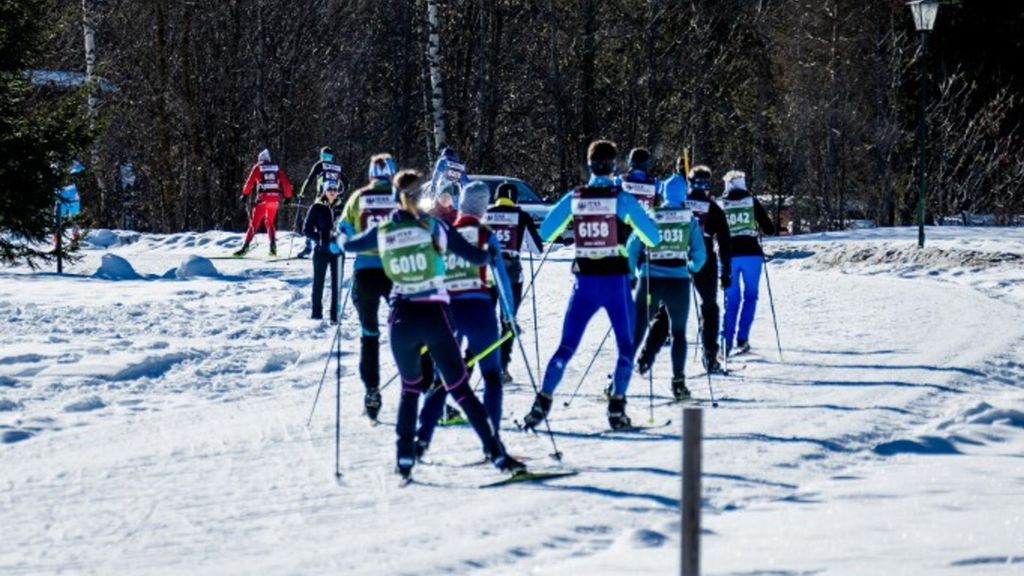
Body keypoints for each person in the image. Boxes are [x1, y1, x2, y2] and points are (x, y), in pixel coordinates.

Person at [340, 169, 525, 479]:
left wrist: (341, 231)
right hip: (434, 314)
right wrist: (489, 252)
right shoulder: (434, 226)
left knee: (410, 389)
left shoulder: (385, 229)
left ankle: (405, 458)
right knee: (461, 389)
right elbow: (475, 258)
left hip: (400, 319)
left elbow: (348, 245)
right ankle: (497, 455)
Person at [522, 140, 658, 430]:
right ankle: (616, 409)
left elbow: (547, 231)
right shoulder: (620, 198)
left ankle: (542, 402)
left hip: (583, 284)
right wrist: (633, 232)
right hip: (615, 283)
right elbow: (653, 237)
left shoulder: (576, 197)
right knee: (625, 346)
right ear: (614, 166)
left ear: (589, 165)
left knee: (566, 346)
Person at [416, 181, 516, 457]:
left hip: (447, 310)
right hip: (479, 307)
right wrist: (510, 316)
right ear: (483, 208)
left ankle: (421, 440)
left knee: (442, 378)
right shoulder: (485, 233)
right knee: (492, 376)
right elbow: (502, 279)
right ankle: (492, 445)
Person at [636, 162, 732, 373]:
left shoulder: (680, 204)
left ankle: (646, 355)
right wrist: (727, 270)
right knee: (709, 307)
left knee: (667, 310)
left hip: (677, 257)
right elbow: (725, 241)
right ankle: (710, 355)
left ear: (689, 184)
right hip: (704, 259)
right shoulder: (713, 208)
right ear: (707, 185)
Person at [627, 178, 706, 400]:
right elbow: (700, 254)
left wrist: (632, 273)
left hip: (651, 279)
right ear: (684, 194)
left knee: (637, 329)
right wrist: (691, 267)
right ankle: (678, 383)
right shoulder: (688, 218)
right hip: (678, 280)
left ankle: (617, 380)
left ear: (662, 192)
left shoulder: (652, 214)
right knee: (678, 332)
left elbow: (633, 245)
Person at [337, 154, 399, 419]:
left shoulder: (358, 197)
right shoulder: (401, 197)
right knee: (410, 327)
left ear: (371, 174)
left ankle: (371, 391)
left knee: (369, 334)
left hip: (365, 271)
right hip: (396, 271)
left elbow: (343, 229)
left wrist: (345, 243)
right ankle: (428, 385)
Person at [484, 182, 543, 382]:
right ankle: (502, 367)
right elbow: (536, 248)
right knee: (507, 320)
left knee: (484, 319)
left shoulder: (486, 213)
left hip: (486, 270)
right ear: (515, 198)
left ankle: (478, 363)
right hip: (511, 271)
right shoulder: (521, 215)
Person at [718, 170, 776, 356]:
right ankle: (742, 339)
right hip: (752, 254)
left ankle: (725, 342)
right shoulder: (751, 201)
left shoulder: (721, 204)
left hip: (728, 256)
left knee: (731, 299)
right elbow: (769, 229)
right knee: (750, 296)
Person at [236, 149, 294, 256]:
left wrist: (244, 194)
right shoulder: (276, 168)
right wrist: (288, 197)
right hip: (275, 200)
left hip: (263, 200)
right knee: (270, 222)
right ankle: (273, 247)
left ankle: (245, 247)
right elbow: (286, 183)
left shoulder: (258, 167)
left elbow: (250, 182)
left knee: (254, 223)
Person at [296, 147, 350, 259]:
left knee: (313, 220)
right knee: (333, 221)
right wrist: (340, 194)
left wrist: (302, 192)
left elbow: (309, 179)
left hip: (322, 197)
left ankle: (309, 247)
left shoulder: (320, 165)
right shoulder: (337, 167)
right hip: (335, 198)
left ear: (322, 155)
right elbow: (347, 183)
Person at [303, 180, 343, 322]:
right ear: (324, 191)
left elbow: (350, 227)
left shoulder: (342, 208)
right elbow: (306, 229)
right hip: (321, 250)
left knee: (336, 285)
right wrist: (319, 239)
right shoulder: (317, 207)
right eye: (330, 189)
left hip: (338, 251)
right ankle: (316, 315)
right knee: (318, 283)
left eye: (335, 189)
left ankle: (334, 316)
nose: (333, 191)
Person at [616, 147, 659, 212]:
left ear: (629, 161)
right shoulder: (656, 183)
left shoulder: (619, 180)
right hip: (645, 220)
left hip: (624, 220)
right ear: (648, 163)